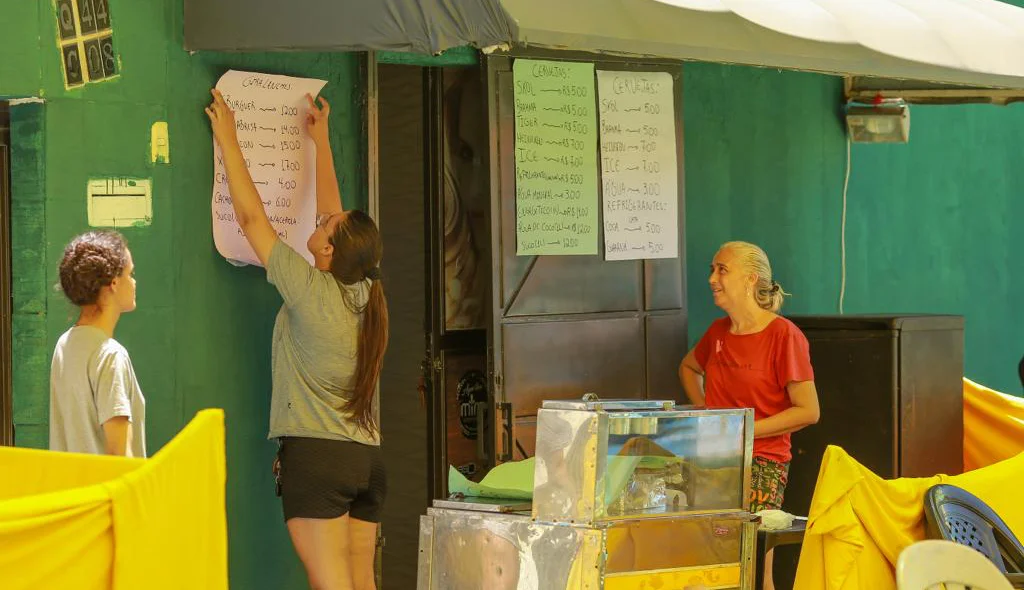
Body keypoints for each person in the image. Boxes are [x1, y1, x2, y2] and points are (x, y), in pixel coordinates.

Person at [207, 88, 389, 590]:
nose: (322, 216)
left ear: (329, 250)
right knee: (360, 581)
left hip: (318, 461)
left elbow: (251, 221)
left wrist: (228, 137)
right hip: (368, 463)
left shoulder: (308, 288)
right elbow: (335, 215)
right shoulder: (368, 294)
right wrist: (321, 141)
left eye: (326, 225)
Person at [678, 240, 819, 590]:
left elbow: (808, 411)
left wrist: (746, 430)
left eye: (722, 269)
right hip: (711, 457)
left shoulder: (784, 335)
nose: (712, 278)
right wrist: (706, 414)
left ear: (750, 279)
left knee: (752, 563)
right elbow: (688, 368)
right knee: (708, 559)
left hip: (762, 462)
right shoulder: (717, 332)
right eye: (712, 269)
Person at [50, 230, 146, 458]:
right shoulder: (111, 355)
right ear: (113, 282)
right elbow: (119, 455)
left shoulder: (64, 345)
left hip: (71, 493)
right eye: (130, 273)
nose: (134, 282)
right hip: (108, 494)